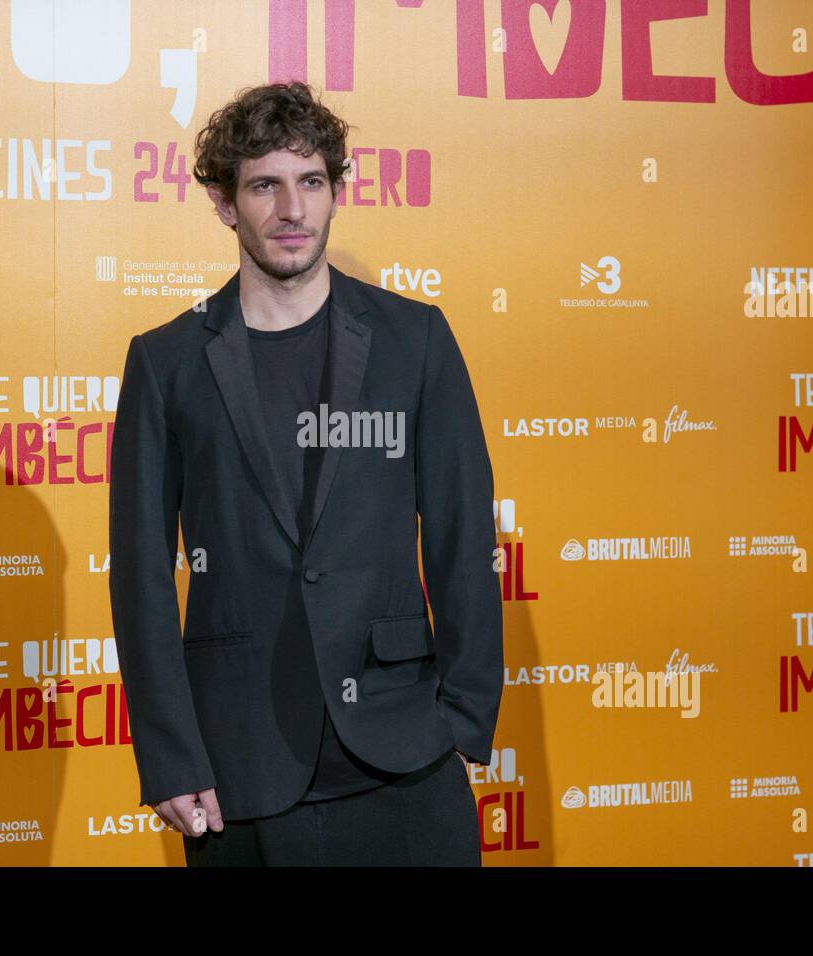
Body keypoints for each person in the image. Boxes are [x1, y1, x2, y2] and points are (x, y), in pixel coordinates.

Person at [109, 81, 503, 866]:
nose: (292, 208)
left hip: (405, 756)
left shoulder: (414, 338)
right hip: (239, 772)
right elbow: (142, 579)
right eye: (264, 184)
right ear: (225, 203)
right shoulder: (166, 362)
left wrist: (464, 715)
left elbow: (462, 535)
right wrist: (171, 756)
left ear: (335, 191)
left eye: (311, 181)